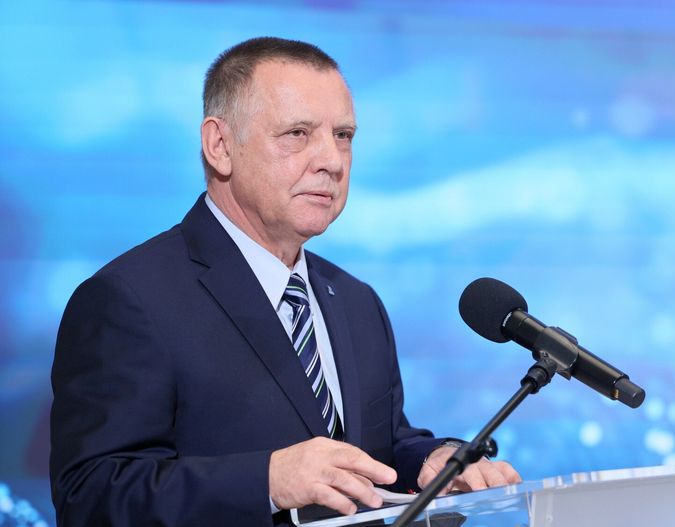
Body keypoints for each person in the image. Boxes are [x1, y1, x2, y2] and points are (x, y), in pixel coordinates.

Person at [50, 36, 520, 526]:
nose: (332, 161)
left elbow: (380, 446)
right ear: (220, 146)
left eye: (343, 135)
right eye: (298, 133)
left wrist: (433, 461)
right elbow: (90, 496)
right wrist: (267, 482)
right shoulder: (129, 299)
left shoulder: (356, 301)